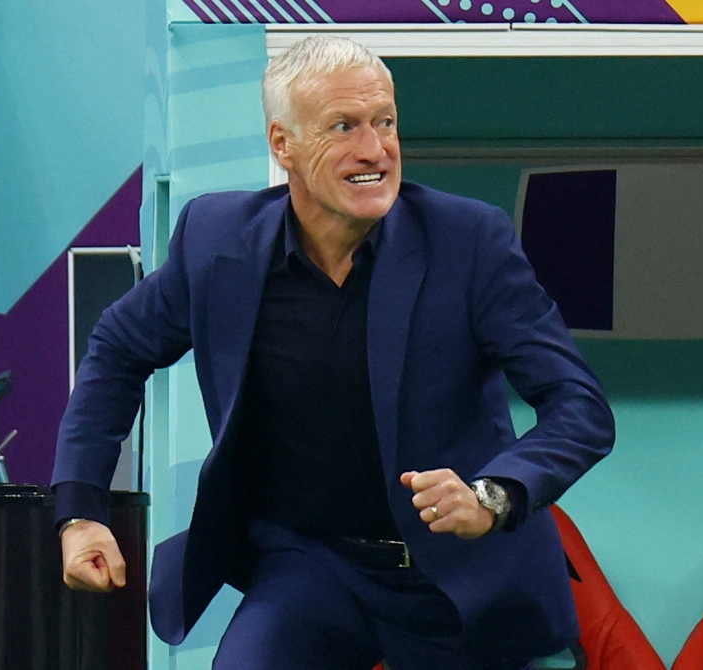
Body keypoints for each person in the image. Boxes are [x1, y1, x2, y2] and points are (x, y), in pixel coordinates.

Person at [51, 35, 615, 670]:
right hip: (312, 567)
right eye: (343, 126)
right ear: (282, 144)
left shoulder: (469, 242)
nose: (373, 150)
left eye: (385, 123)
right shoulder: (216, 242)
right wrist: (80, 512)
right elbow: (117, 350)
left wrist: (493, 496)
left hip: (458, 578)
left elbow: (581, 408)